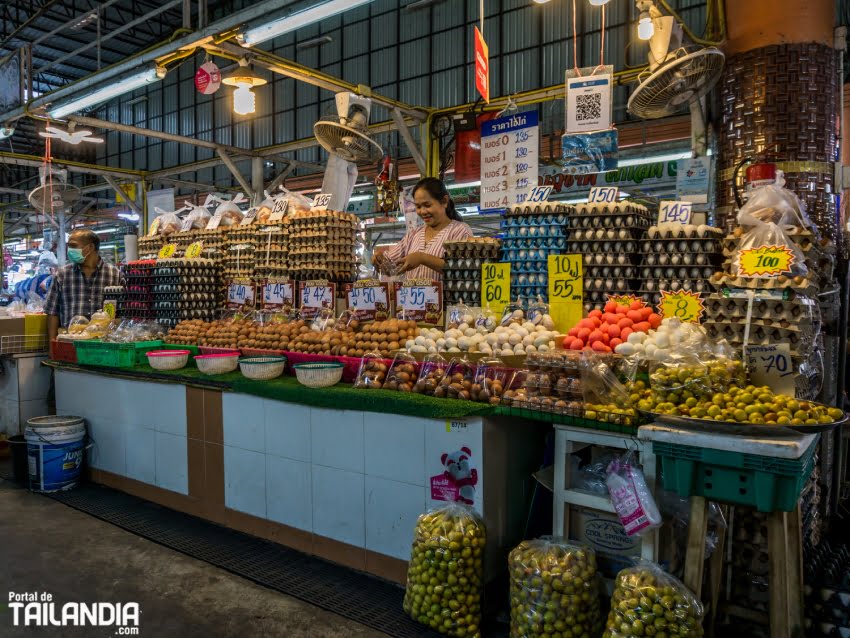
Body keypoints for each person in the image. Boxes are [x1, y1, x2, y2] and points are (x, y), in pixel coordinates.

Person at [374, 177, 473, 280]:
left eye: (427, 205)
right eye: (418, 206)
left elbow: (464, 269)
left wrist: (422, 258)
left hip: (445, 296)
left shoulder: (460, 231)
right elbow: (390, 262)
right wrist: (379, 259)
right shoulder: (414, 234)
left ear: (444, 201)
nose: (422, 211)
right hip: (411, 296)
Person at [45, 229, 123, 342]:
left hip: (103, 344)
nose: (69, 250)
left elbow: (121, 313)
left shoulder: (114, 275)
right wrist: (52, 342)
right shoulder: (62, 275)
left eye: (73, 246)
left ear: (90, 247)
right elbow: (52, 312)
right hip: (70, 342)